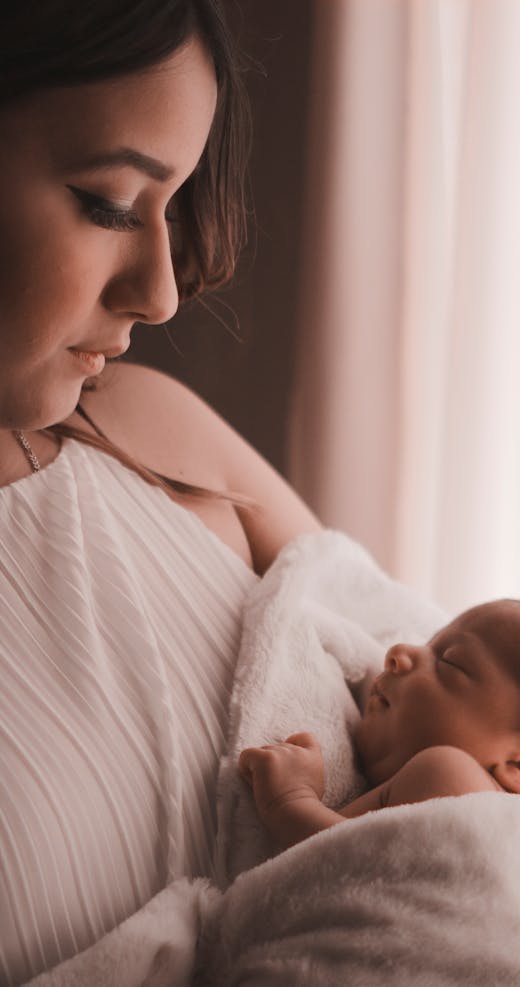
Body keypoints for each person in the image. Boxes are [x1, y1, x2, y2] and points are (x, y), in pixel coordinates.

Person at [0, 2, 322, 984]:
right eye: (107, 203)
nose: (162, 290)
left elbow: (479, 734)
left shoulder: (154, 430)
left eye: (170, 204)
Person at [239, 580, 520, 854]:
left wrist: (292, 800)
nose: (399, 653)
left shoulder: (452, 780)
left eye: (449, 663)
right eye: (429, 642)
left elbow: (333, 861)